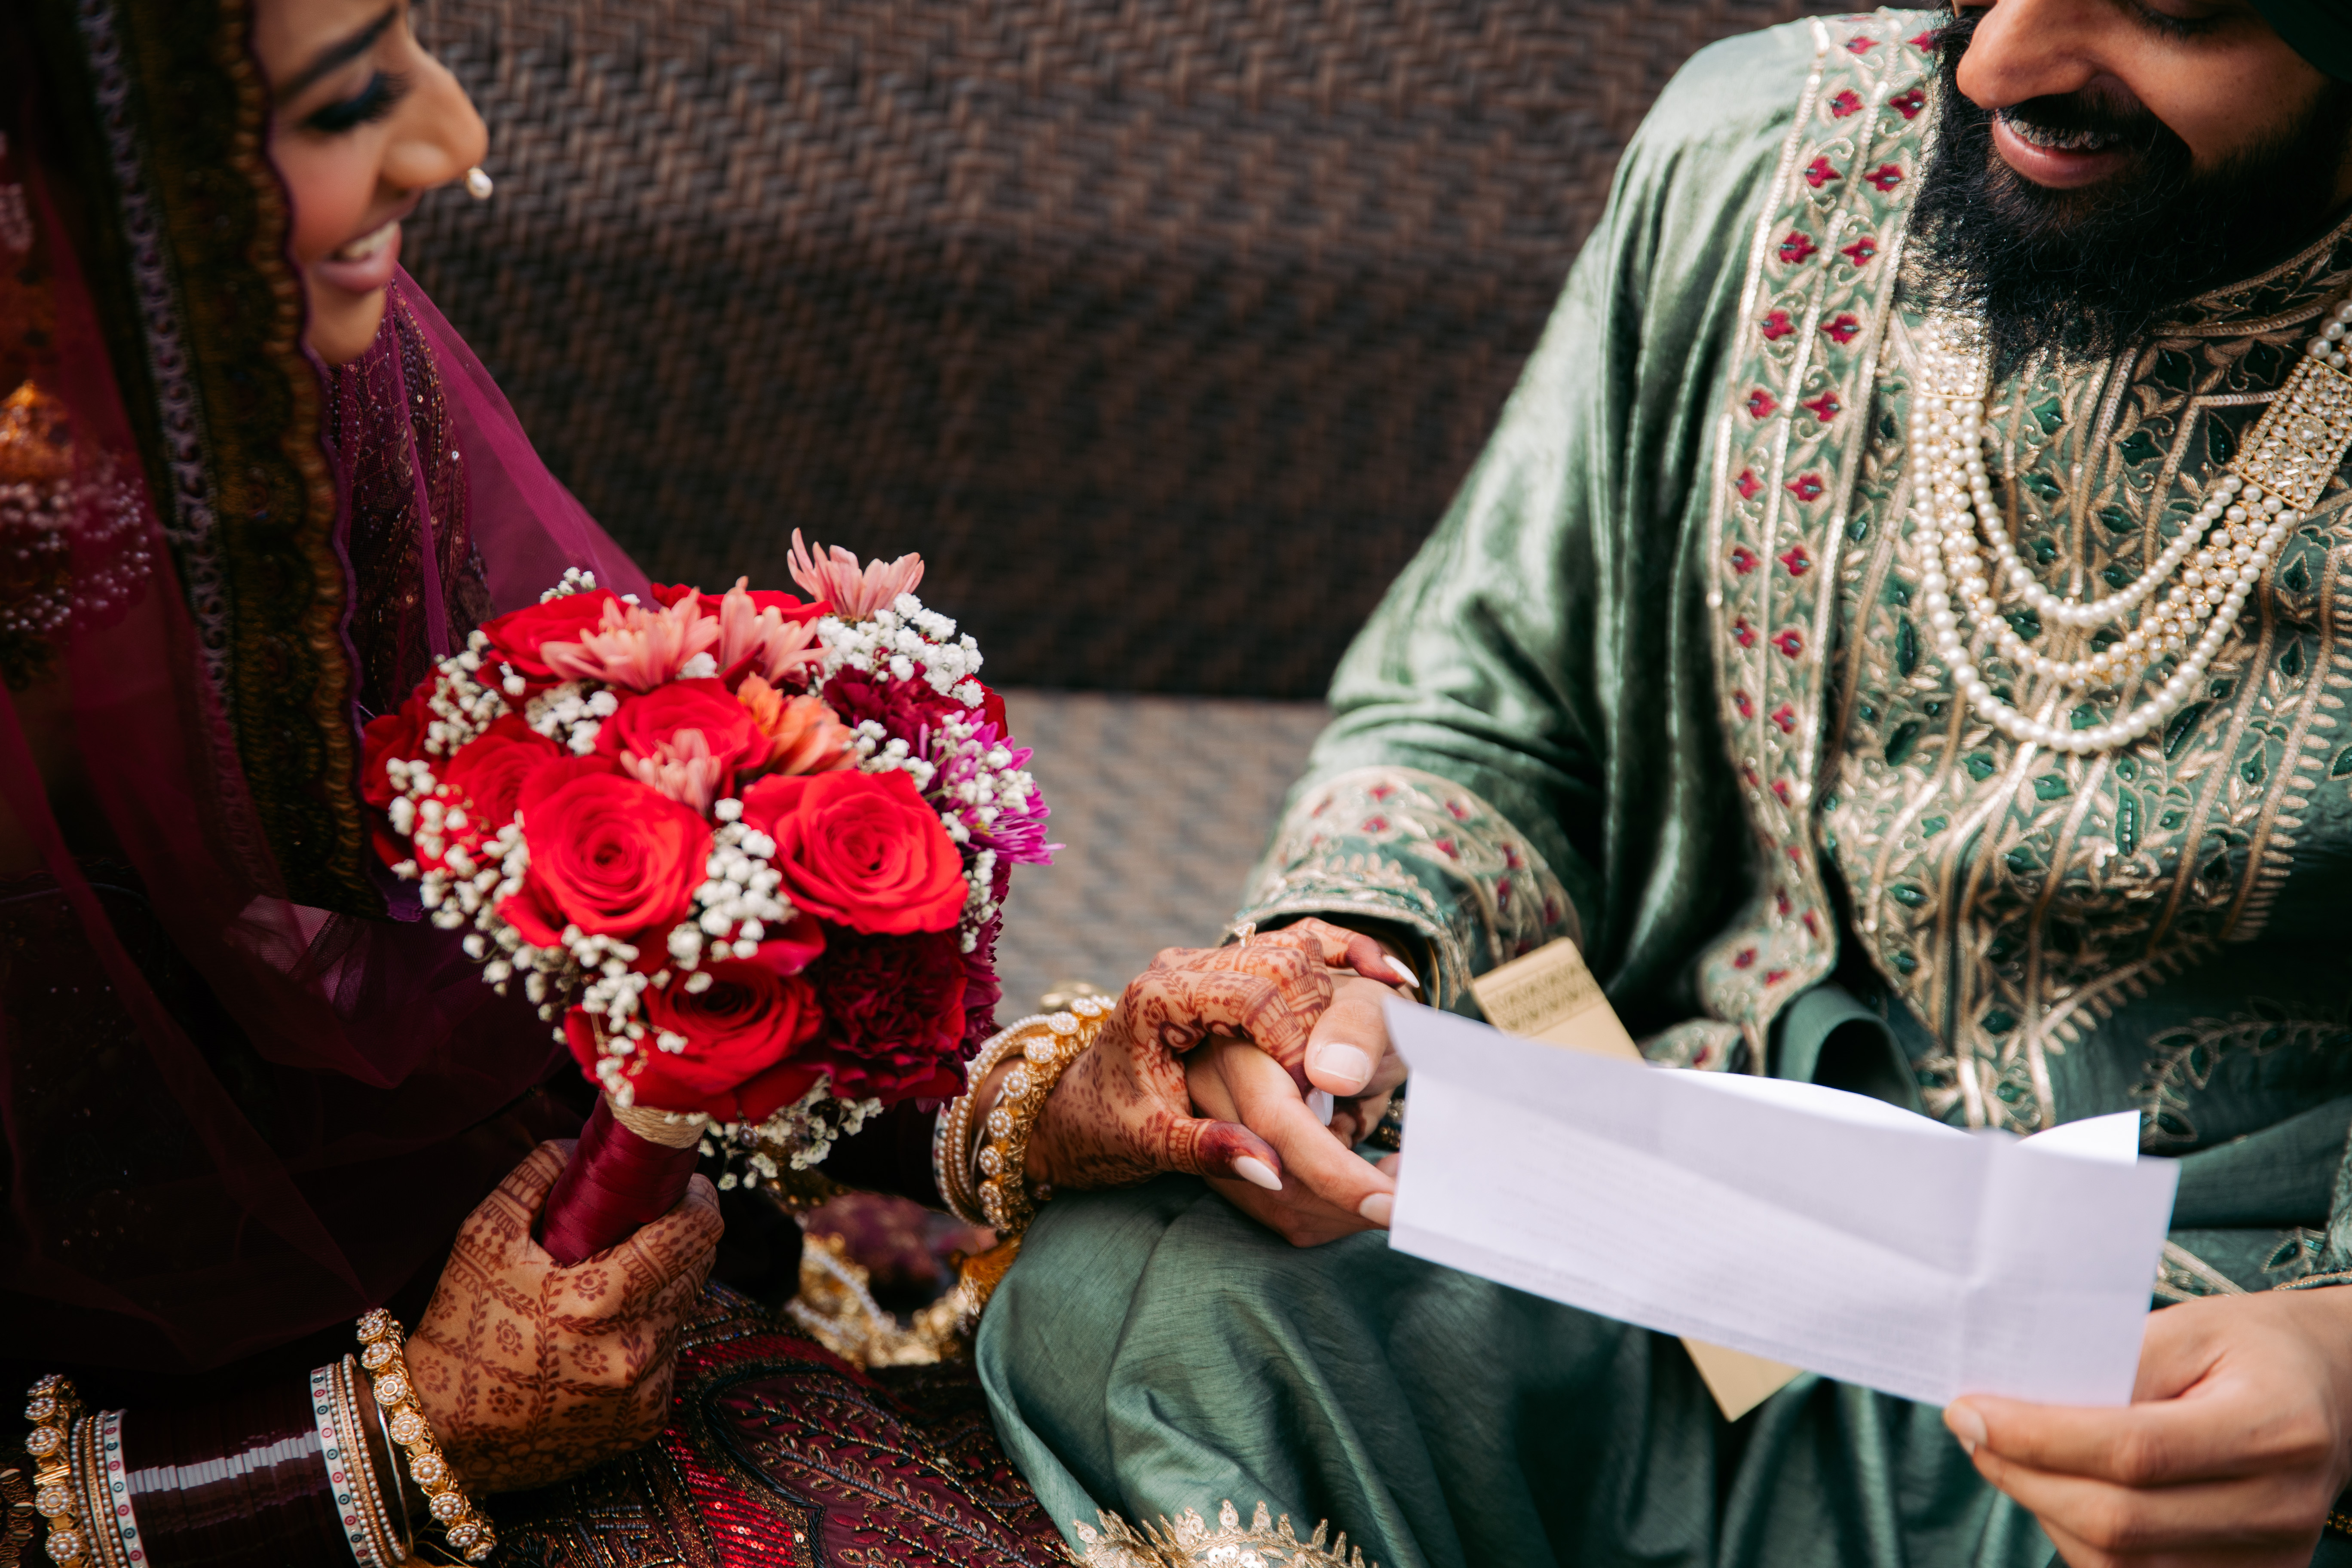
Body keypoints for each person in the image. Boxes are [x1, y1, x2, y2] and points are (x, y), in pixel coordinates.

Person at [0, 0, 1400, 1562]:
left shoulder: (279, 389)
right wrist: (400, 1443)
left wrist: (1056, 1099)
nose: (455, 143)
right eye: (342, 105)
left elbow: (580, 971)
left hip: (555, 1305)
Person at [978, 2, 2352, 1566]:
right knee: (1146, 1291)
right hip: (1660, 1201)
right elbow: (1491, 706)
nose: (1991, 65)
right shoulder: (1766, 148)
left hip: (2188, 1333)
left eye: (2170, 8)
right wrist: (1346, 979)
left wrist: (2331, 1366)